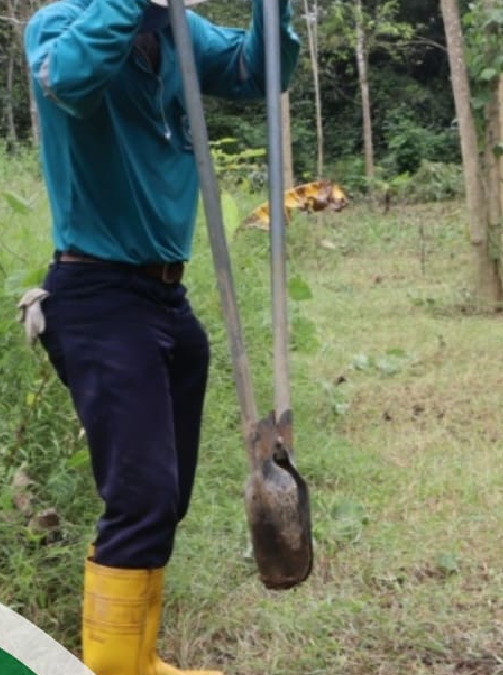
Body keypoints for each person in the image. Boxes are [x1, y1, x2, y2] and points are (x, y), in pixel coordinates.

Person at [19, 0, 300, 673]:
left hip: (165, 299)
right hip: (97, 294)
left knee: (164, 501)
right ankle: (118, 667)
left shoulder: (179, 31)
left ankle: (136, 657)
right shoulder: (57, 26)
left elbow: (259, 70)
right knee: (140, 498)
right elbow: (71, 80)